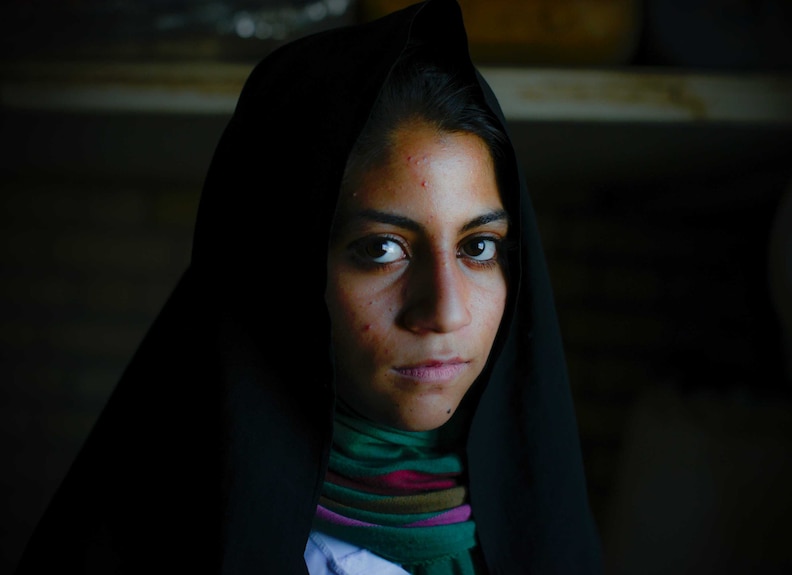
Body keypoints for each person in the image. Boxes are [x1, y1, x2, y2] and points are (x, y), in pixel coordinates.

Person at [14, 1, 603, 573]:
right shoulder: (166, 541)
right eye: (381, 249)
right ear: (281, 272)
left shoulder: (536, 530)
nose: (445, 311)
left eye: (478, 247)